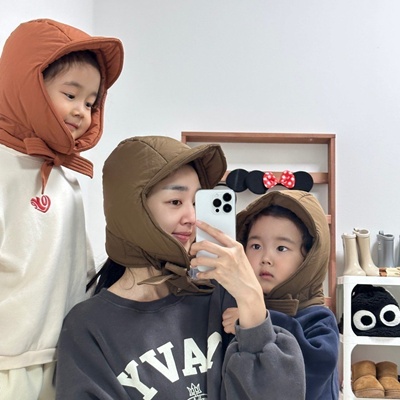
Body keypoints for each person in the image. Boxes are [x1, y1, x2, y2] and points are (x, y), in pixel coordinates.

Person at [55, 136, 306, 399]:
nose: (192, 218)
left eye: (196, 203)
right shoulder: (89, 326)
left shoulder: (218, 295)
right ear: (132, 211)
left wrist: (252, 301)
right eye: (176, 202)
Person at [0, 18, 123, 399]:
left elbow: (79, 268)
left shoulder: (67, 178)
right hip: (8, 360)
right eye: (70, 95)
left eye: (90, 103)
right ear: (27, 86)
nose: (81, 112)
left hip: (63, 354)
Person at [223, 190, 339, 399]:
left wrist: (260, 321)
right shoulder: (234, 306)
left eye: (282, 248)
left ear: (309, 259)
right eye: (256, 246)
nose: (266, 258)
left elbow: (307, 378)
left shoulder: (319, 318)